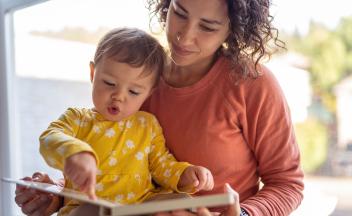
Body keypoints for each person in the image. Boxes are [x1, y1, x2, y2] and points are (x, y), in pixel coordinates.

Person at [15, 0, 304, 215]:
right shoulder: (138, 78)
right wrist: (53, 193)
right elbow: (113, 165)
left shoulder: (253, 85)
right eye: (179, 12)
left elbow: (288, 184)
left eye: (207, 26)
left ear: (232, 30)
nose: (184, 35)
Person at [33, 27, 215, 216]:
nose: (118, 96)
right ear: (93, 73)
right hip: (89, 204)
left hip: (142, 205)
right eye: (109, 83)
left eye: (134, 92)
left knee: (182, 202)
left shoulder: (148, 124)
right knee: (89, 212)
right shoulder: (77, 119)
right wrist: (74, 153)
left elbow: (162, 164)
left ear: (148, 93)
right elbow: (49, 138)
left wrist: (184, 175)